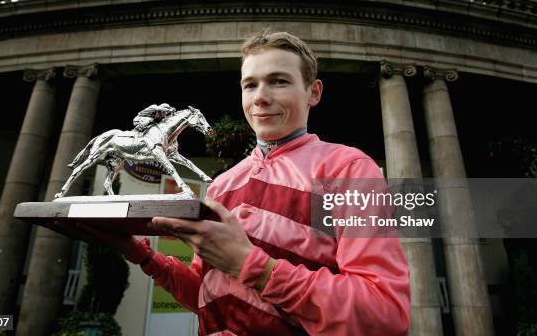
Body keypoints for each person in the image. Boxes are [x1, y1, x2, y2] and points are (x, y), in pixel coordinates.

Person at [64, 30, 410, 336]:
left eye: (279, 81)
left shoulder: (349, 169)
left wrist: (251, 266)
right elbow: (208, 291)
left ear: (313, 92)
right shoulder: (221, 185)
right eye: (250, 84)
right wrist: (136, 252)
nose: (260, 97)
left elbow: (384, 313)